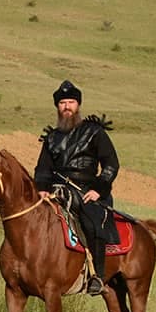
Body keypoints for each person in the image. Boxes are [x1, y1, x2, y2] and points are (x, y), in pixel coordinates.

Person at [34, 80, 120, 296]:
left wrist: (99, 189)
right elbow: (43, 168)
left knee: (92, 223)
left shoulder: (94, 132)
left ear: (78, 105)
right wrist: (42, 189)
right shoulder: (51, 138)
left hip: (87, 191)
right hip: (56, 190)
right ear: (57, 107)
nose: (67, 107)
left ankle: (97, 277)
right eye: (63, 103)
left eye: (71, 102)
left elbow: (111, 164)